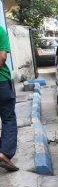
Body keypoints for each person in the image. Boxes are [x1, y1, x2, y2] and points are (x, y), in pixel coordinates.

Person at [0, 25, 18, 172]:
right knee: (8, 118)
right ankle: (4, 154)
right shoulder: (0, 30)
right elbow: (2, 56)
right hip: (1, 83)